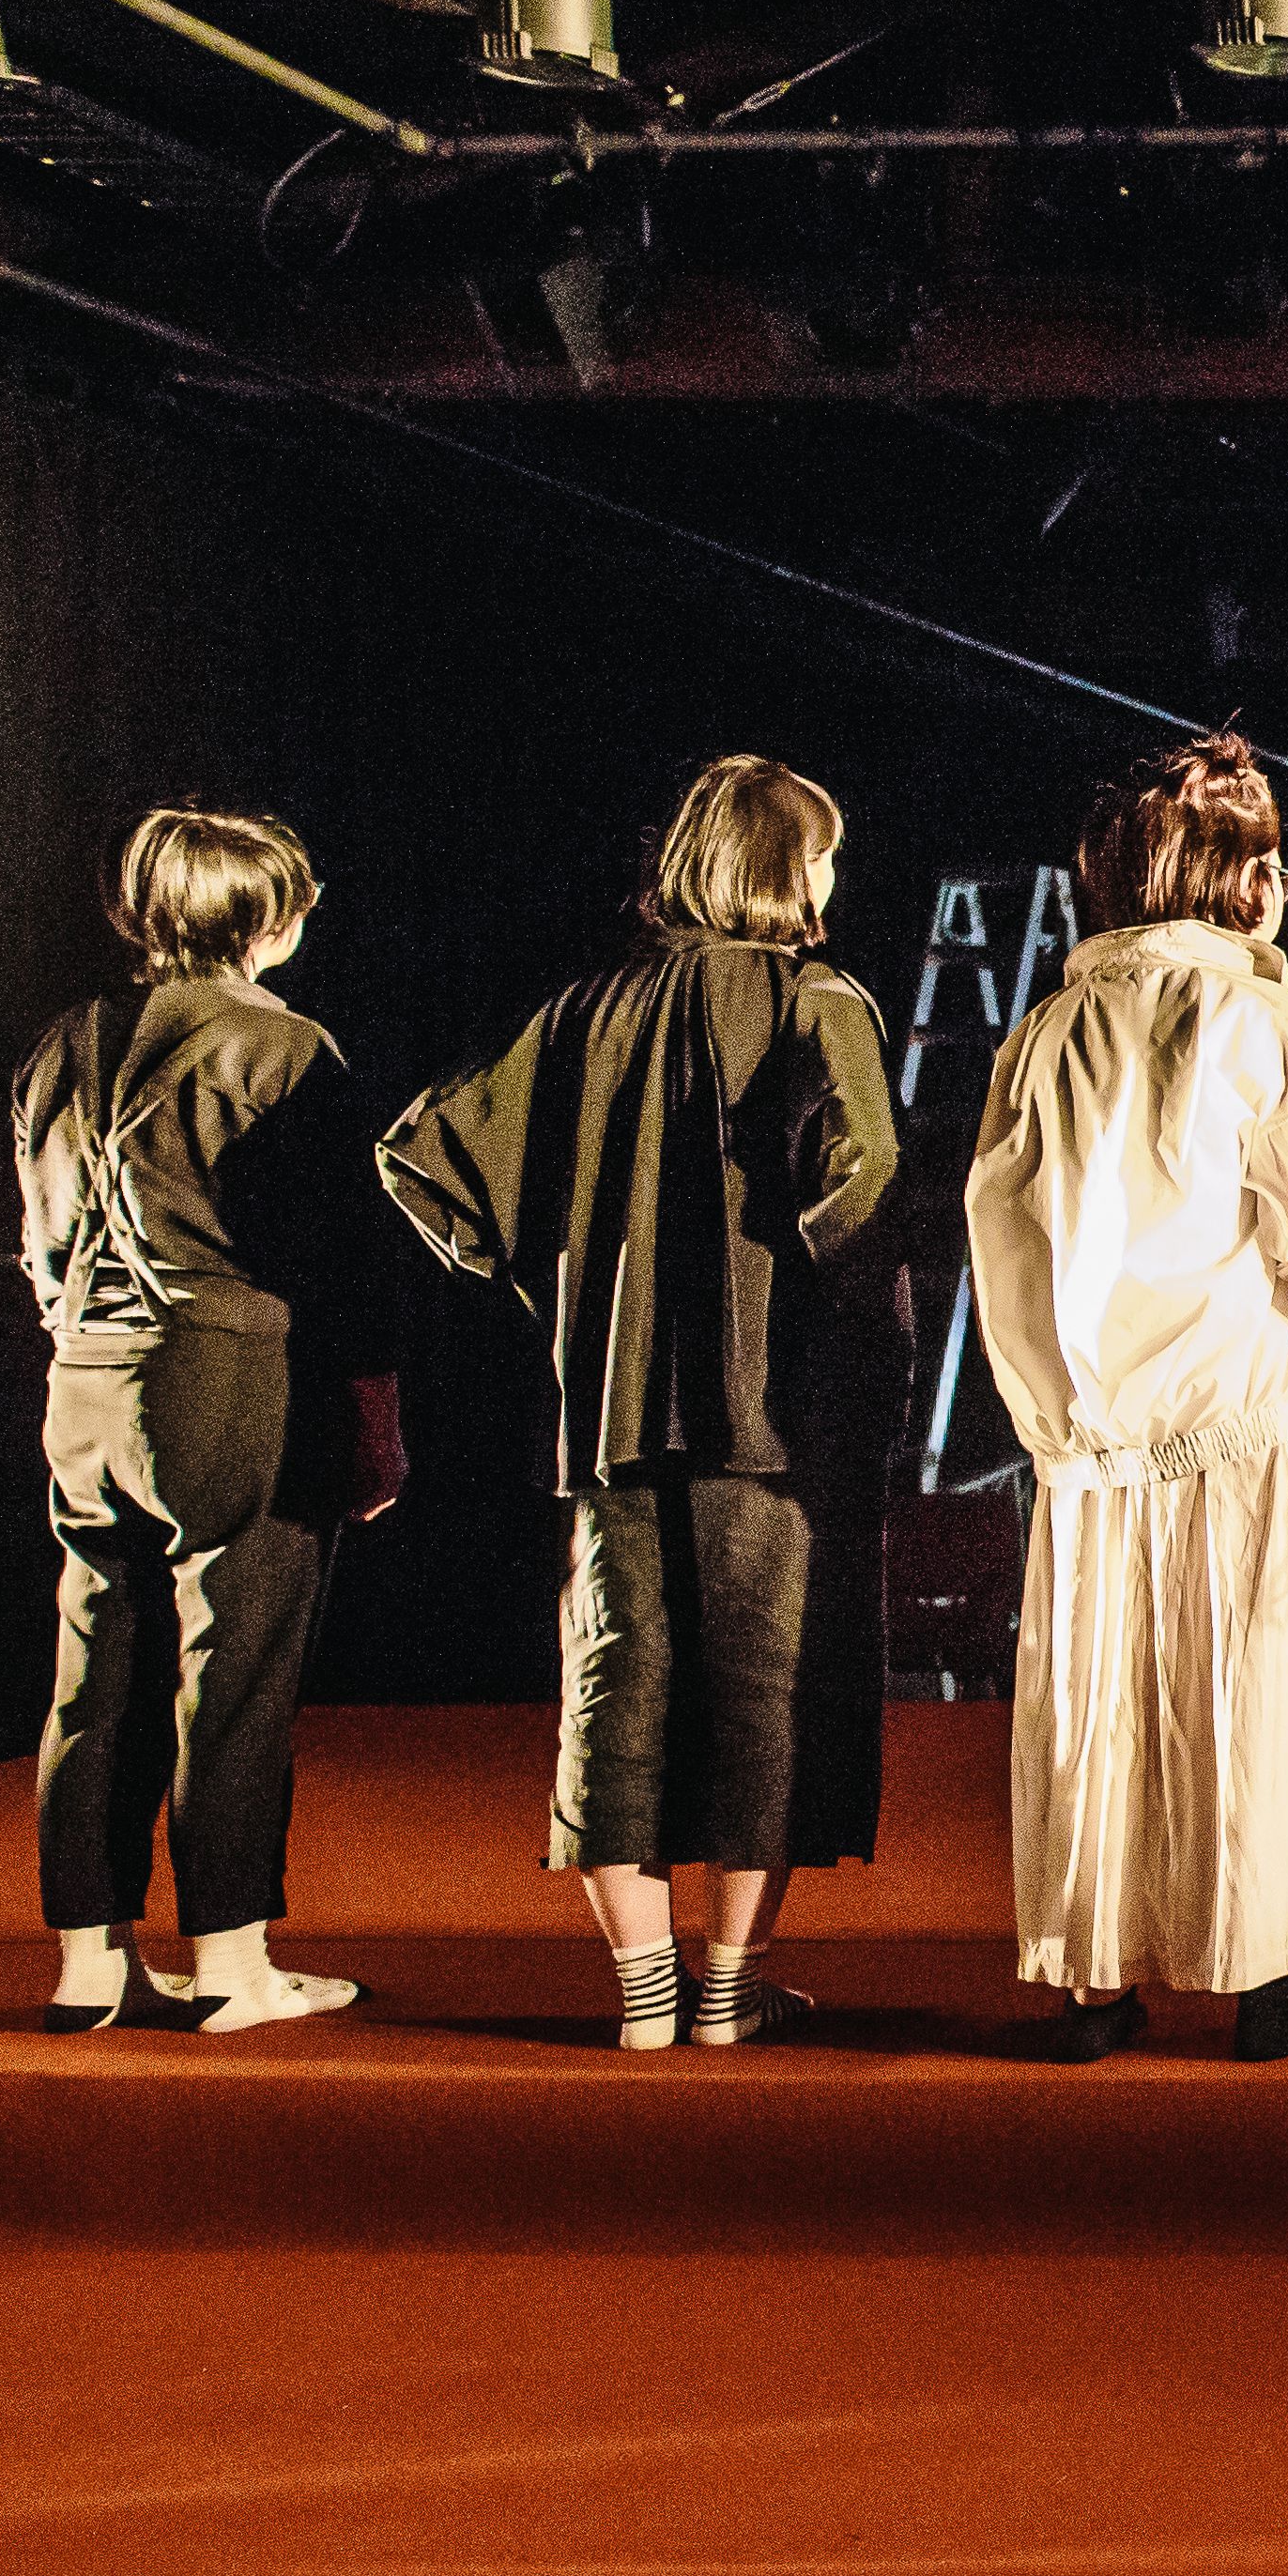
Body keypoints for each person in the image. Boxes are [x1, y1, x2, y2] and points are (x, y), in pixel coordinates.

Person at [381, 754, 906, 2052]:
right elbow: (872, 1167)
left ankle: (644, 1989)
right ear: (789, 868)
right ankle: (729, 1982)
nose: (836, 877)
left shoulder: (583, 1011)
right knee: (764, 1691)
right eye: (824, 853)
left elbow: (425, 1160)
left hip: (611, 1412)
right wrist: (818, 1294)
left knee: (616, 1688)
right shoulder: (815, 999)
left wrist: (558, 1292)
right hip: (770, 1413)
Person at [966, 731, 1288, 2064]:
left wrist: (1050, 1414)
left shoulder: (1045, 1033)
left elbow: (1005, 1239)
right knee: (1260, 1682)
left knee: (1100, 1698)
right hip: (1251, 1413)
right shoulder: (1262, 1023)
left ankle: (1092, 1979)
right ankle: (1263, 1972)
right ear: (1248, 878)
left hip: (1095, 1436)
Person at [13, 805, 406, 2036]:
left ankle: (91, 1961)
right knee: (230, 1674)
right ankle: (235, 1964)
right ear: (263, 915)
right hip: (227, 1373)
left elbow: (38, 1245)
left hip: (82, 1377)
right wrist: (377, 1417)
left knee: (93, 1677)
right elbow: (345, 1263)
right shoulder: (283, 1045)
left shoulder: (58, 1044)